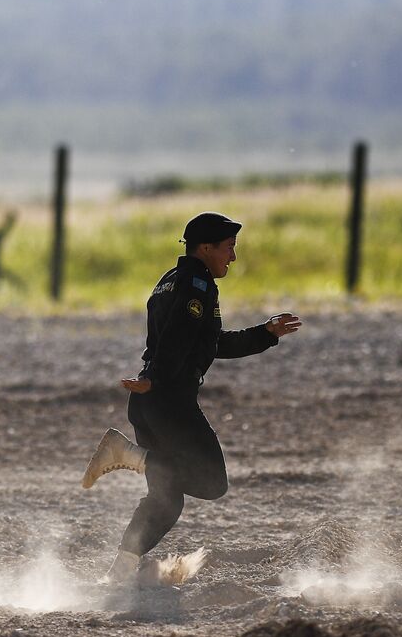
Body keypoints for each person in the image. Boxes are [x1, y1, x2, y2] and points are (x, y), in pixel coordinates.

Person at [80, 212, 301, 587]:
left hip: (151, 401)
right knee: (212, 481)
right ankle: (129, 454)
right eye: (229, 249)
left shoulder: (171, 280)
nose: (232, 257)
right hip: (169, 401)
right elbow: (177, 339)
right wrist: (156, 379)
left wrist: (264, 333)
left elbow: (208, 343)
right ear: (206, 248)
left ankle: (117, 574)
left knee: (166, 499)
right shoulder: (197, 286)